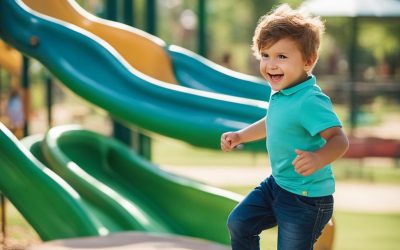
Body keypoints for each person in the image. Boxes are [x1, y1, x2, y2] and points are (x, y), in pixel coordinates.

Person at [220, 4, 349, 250]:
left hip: (307, 199)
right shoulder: (282, 93)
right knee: (239, 223)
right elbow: (272, 123)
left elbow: (339, 139)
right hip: (277, 186)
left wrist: (318, 157)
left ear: (308, 61)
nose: (271, 64)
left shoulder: (309, 100)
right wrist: (240, 136)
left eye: (282, 56)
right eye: (265, 55)